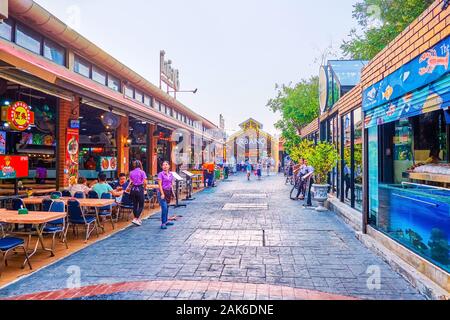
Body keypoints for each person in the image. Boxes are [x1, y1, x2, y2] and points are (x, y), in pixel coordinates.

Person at [129, 160, 147, 227]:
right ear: (140, 165)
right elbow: (145, 182)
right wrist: (145, 188)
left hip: (133, 189)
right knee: (141, 205)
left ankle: (136, 218)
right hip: (139, 189)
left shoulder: (131, 172)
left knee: (135, 205)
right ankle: (136, 218)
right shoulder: (142, 172)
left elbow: (131, 182)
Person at [157, 161, 175, 230]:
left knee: (167, 207)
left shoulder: (171, 174)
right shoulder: (160, 174)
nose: (165, 166)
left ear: (169, 166)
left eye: (166, 164)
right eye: (163, 165)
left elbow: (171, 184)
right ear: (162, 167)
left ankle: (166, 221)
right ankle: (163, 223)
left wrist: (173, 193)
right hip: (162, 192)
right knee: (164, 208)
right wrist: (162, 194)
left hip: (168, 192)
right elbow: (159, 185)